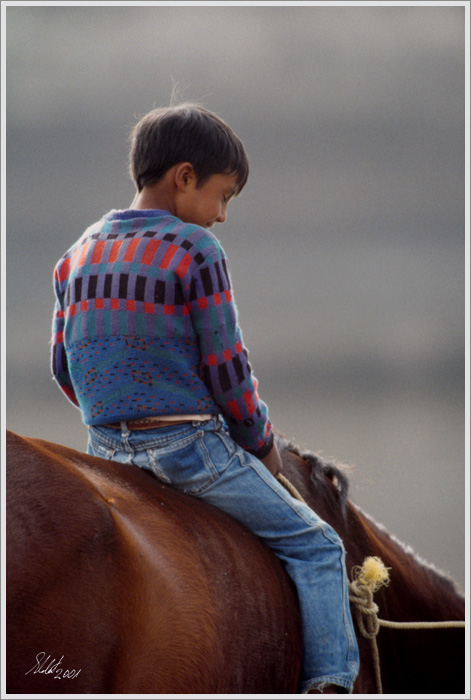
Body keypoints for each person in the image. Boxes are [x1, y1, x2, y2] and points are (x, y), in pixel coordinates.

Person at [51, 102, 359, 693]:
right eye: (223, 196)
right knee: (319, 547)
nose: (220, 216)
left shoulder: (75, 256)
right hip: (189, 451)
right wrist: (262, 446)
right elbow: (228, 372)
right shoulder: (196, 251)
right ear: (184, 177)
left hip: (106, 452)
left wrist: (114, 422)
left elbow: (65, 367)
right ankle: (331, 685)